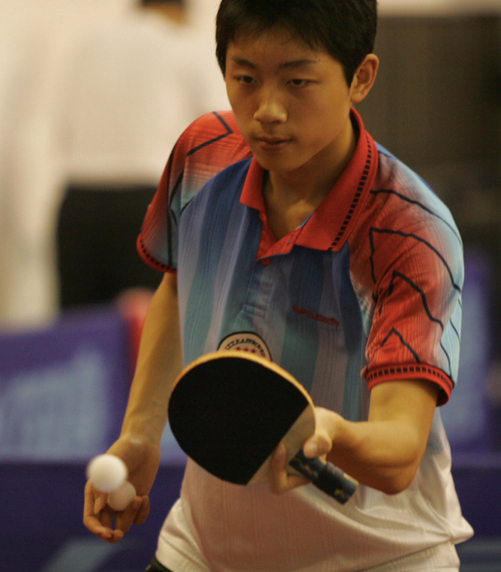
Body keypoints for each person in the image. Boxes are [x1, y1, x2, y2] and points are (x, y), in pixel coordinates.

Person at [84, 1, 474, 570]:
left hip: (378, 557)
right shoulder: (203, 153)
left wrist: (329, 433)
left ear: (360, 77)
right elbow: (179, 283)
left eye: (297, 82)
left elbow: (398, 454)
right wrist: (142, 434)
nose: (266, 110)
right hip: (203, 550)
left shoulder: (409, 229)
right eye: (245, 78)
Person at [57, 0, 230, 309]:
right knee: (149, 323)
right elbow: (220, 132)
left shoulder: (90, 45)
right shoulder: (183, 44)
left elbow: (63, 126)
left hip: (77, 202)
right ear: (180, 9)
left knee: (79, 331)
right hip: (145, 202)